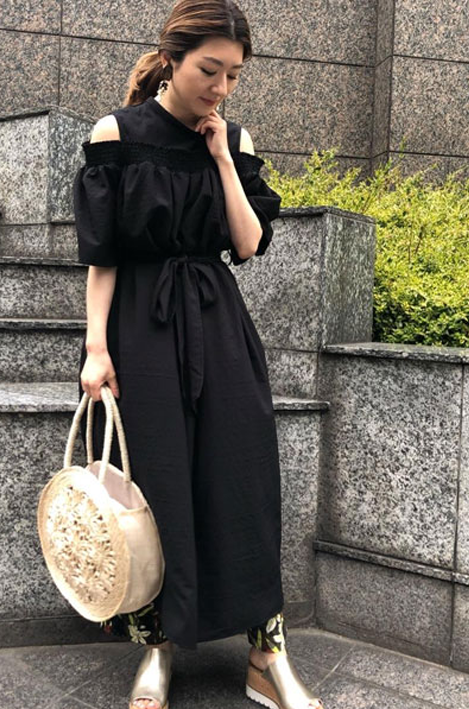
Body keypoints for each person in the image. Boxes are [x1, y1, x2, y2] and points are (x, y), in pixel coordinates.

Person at [73, 1, 324, 708]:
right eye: (210, 70)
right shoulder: (117, 134)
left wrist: (220, 158)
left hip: (218, 323)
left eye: (234, 75)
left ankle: (267, 654)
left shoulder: (234, 141)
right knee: (155, 485)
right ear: (172, 59)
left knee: (244, 477)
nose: (221, 87)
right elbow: (103, 255)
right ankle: (156, 650)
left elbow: (247, 244)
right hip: (141, 325)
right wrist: (96, 348)